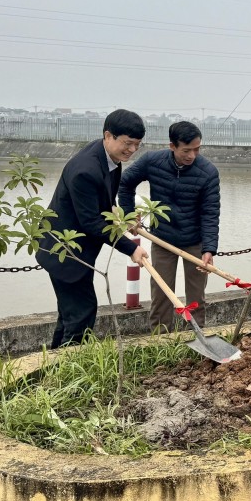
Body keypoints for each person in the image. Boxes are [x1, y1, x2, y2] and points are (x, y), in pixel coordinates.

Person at [36, 109, 149, 348]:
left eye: (137, 145)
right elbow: (92, 222)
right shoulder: (85, 170)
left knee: (71, 314)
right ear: (108, 135)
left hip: (77, 250)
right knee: (81, 314)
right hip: (64, 251)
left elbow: (104, 203)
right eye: (127, 144)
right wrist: (131, 249)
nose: (132, 150)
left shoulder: (110, 158)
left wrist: (122, 218)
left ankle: (54, 364)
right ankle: (67, 368)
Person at [119, 121, 220, 330]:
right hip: (162, 238)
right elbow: (125, 183)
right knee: (161, 293)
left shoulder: (208, 172)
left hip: (195, 241)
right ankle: (160, 339)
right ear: (172, 146)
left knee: (196, 298)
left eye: (197, 149)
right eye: (186, 150)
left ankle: (195, 335)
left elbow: (210, 212)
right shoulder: (152, 161)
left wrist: (209, 248)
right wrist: (128, 215)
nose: (192, 155)